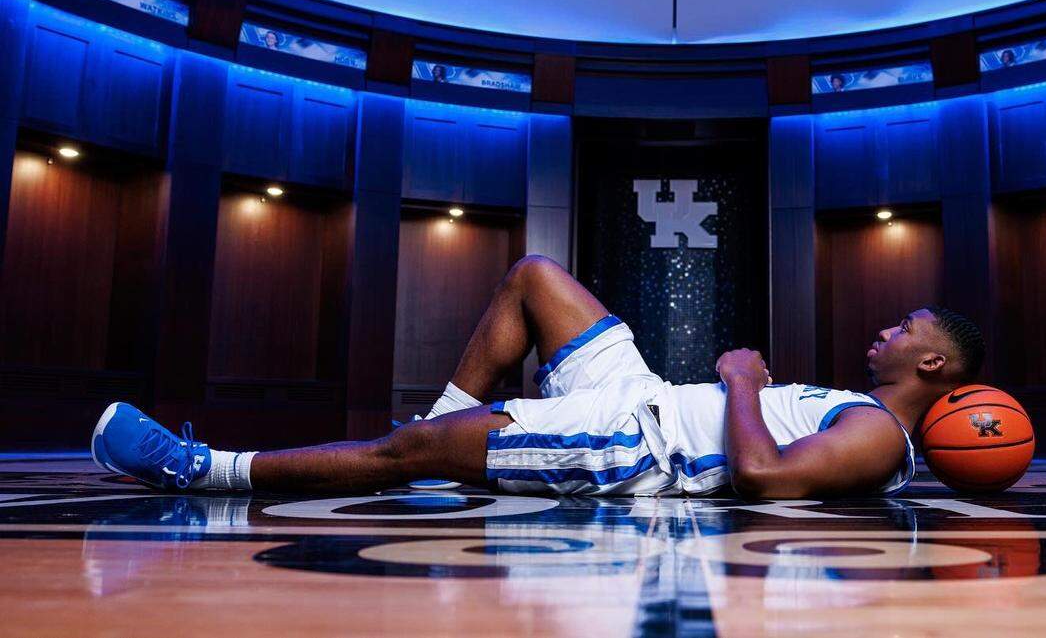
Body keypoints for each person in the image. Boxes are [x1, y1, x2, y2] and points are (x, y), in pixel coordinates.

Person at [91, 256, 984, 499]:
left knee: (407, 448)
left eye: (903, 326)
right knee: (535, 277)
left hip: (638, 443)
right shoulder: (862, 408)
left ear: (933, 363)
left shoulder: (880, 435)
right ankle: (442, 452)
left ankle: (200, 467)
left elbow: (764, 477)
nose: (885, 328)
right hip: (647, 392)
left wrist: (744, 379)